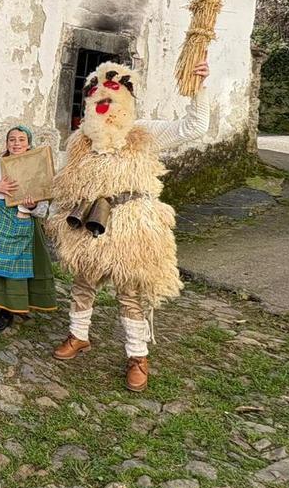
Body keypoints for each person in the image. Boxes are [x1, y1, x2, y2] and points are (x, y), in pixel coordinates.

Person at [46, 61, 212, 392]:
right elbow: (66, 182)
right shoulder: (80, 140)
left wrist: (199, 88)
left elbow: (194, 127)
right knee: (83, 283)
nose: (103, 101)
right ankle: (78, 336)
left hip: (129, 224)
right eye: (97, 95)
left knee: (129, 292)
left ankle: (138, 356)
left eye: (111, 94)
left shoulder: (142, 132)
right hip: (89, 221)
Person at [0, 125, 57, 331]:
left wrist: (32, 205)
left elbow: (43, 205)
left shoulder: (36, 167)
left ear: (28, 144)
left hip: (20, 220)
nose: (16, 143)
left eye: (21, 140)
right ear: (6, 143)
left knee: (13, 268)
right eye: (12, 140)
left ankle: (7, 311)